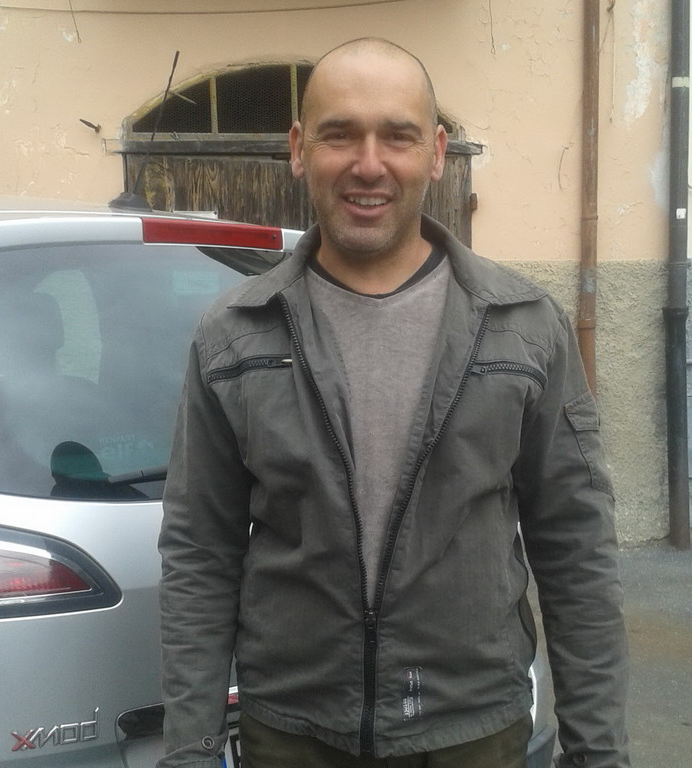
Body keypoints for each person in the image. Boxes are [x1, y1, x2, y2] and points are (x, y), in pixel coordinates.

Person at [158, 38, 629, 768]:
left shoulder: (524, 326)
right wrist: (190, 751)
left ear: (436, 153)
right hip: (293, 733)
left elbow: (576, 548)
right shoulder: (235, 333)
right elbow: (200, 552)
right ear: (298, 148)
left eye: (398, 136)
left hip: (472, 732)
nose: (369, 164)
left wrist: (598, 752)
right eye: (340, 134)